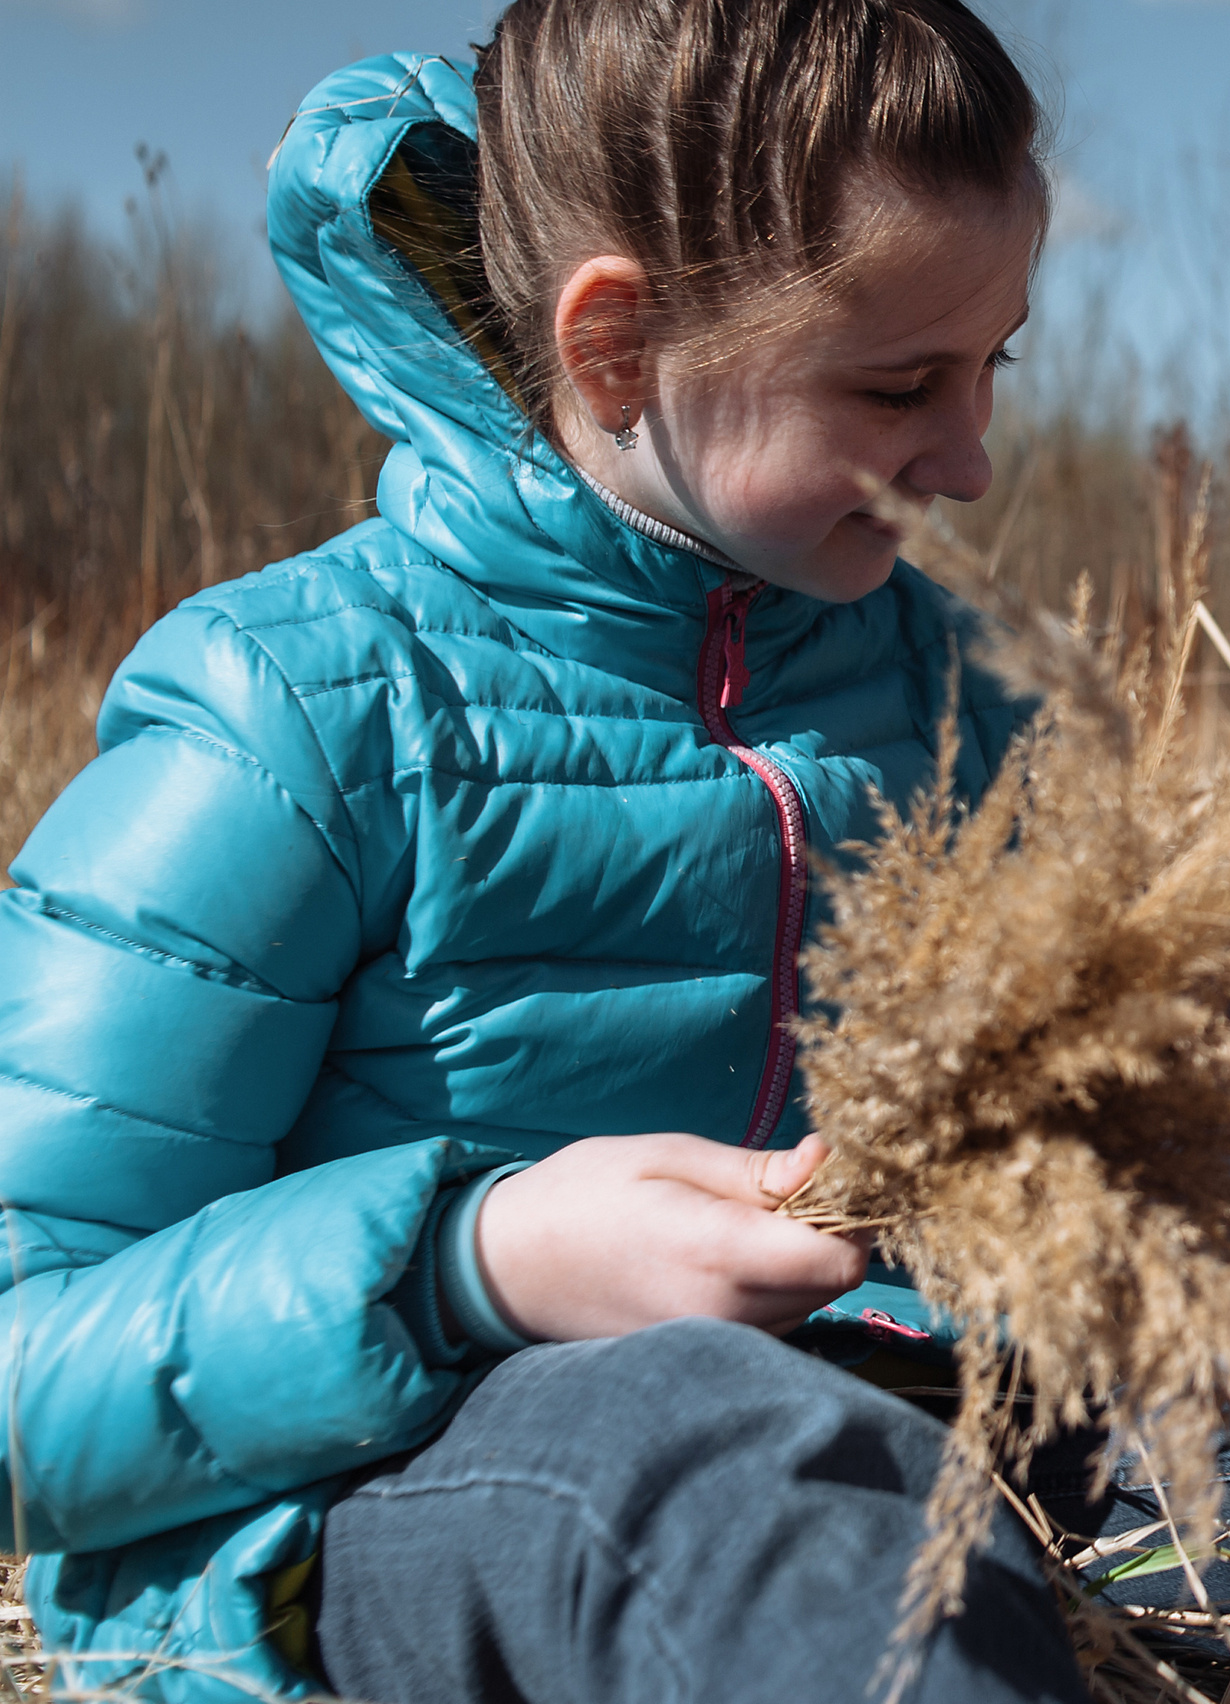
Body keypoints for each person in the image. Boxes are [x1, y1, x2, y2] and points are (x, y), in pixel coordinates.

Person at [0, 5, 1088, 1702]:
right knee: (729, 1454)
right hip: (364, 1510)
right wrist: (473, 1263)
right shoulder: (295, 713)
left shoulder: (953, 694)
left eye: (991, 364)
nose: (970, 461)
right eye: (898, 386)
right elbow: (21, 1371)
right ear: (618, 348)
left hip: (869, 1447)